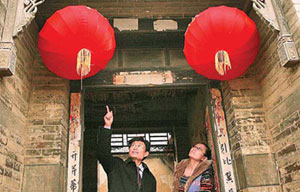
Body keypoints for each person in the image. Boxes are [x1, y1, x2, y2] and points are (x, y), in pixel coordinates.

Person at [97, 106, 156, 192]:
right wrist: (107, 126)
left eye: (139, 146)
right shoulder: (116, 166)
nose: (135, 147)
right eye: (133, 145)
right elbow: (103, 153)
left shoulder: (150, 178)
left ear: (146, 153)